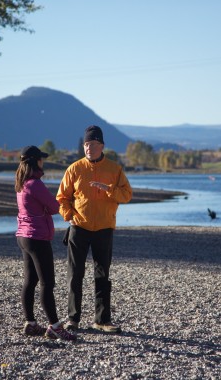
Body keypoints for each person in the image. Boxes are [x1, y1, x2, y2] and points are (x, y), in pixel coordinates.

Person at [56, 125, 133, 333]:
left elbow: (126, 195)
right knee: (75, 274)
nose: (89, 148)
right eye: (86, 144)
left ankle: (102, 320)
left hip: (104, 229)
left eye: (93, 144)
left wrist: (109, 190)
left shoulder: (114, 169)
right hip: (78, 228)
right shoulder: (74, 168)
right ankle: (73, 319)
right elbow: (62, 198)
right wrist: (69, 216)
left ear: (102, 146)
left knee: (102, 275)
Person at [15, 145, 76, 341]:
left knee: (30, 281)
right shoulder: (35, 183)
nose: (43, 161)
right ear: (35, 160)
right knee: (47, 283)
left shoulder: (22, 183)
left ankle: (31, 323)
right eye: (41, 158)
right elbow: (54, 207)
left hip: (24, 237)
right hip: (37, 237)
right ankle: (55, 327)